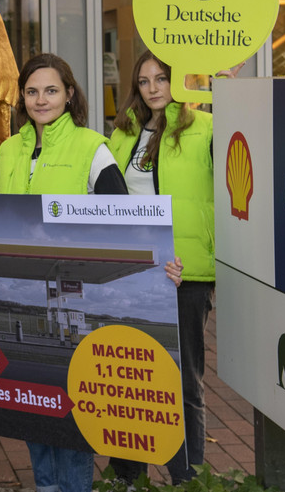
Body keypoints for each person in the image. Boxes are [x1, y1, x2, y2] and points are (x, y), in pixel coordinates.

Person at [0, 53, 133, 492]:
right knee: (35, 403)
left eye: (51, 90)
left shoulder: (93, 147)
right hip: (24, 303)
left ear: (70, 94)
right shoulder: (9, 150)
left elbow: (126, 222)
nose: (40, 99)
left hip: (77, 305)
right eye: (32, 91)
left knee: (73, 413)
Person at [107, 49, 213, 485]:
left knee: (184, 378)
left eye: (161, 79)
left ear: (179, 82)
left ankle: (187, 476)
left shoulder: (205, 127)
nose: (152, 88)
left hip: (184, 272)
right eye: (144, 80)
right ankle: (127, 475)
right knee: (130, 374)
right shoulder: (123, 132)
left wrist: (226, 89)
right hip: (134, 272)